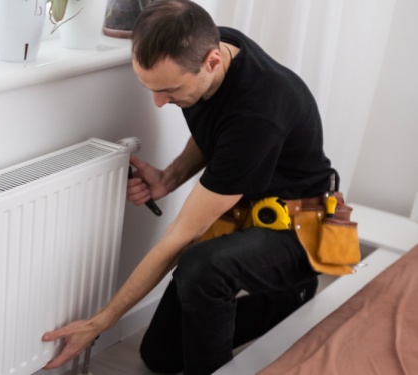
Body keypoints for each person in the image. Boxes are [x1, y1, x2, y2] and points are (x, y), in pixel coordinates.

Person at [42, 0, 336, 373]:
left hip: (295, 227)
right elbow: (215, 128)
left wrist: (100, 322)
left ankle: (293, 290)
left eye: (169, 90)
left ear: (212, 61)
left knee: (200, 267)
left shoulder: (258, 114)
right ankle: (276, 301)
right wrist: (169, 177)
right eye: (150, 88)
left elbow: (179, 238)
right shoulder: (213, 46)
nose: (159, 102)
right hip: (245, 207)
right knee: (159, 355)